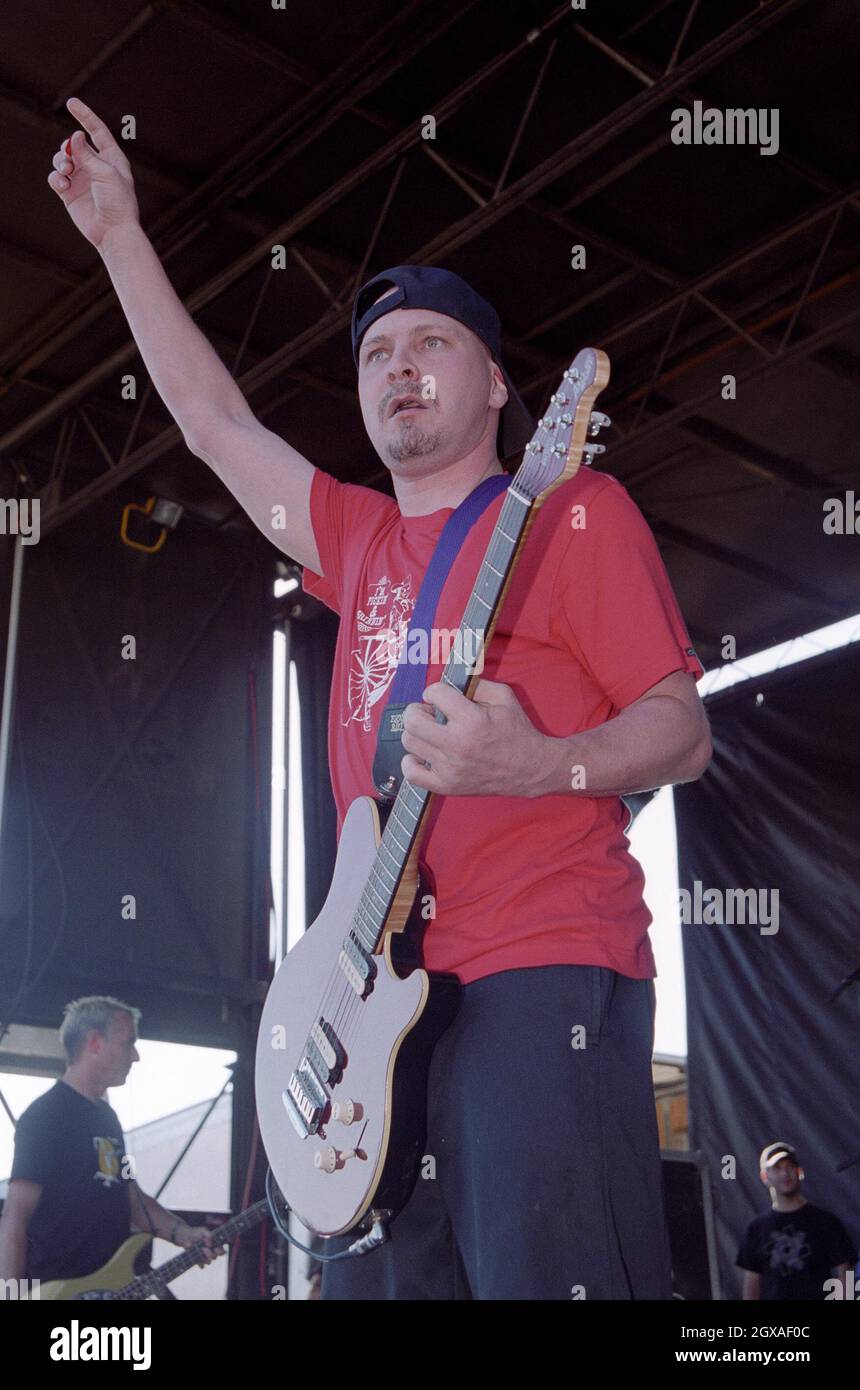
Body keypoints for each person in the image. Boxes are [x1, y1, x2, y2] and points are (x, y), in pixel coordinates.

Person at [46, 99, 713, 1299]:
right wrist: (117, 240)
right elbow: (208, 421)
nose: (396, 367)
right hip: (365, 1012)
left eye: (427, 345)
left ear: (500, 384)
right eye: (372, 355)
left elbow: (682, 729)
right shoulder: (353, 538)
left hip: (539, 967)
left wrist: (540, 764)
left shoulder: (572, 515)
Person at [0, 996, 220, 1288]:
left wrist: (183, 1234)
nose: (136, 1056)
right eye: (129, 1042)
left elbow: (130, 1195)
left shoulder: (109, 1121)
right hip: (56, 1293)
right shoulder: (44, 1116)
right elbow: (16, 1216)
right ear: (94, 1042)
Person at [736, 1142, 856, 1301]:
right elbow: (751, 1286)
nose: (785, 1173)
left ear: (800, 1172)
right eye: (777, 1168)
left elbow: (844, 1274)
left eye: (789, 1167)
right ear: (765, 1177)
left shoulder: (825, 1222)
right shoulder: (756, 1229)